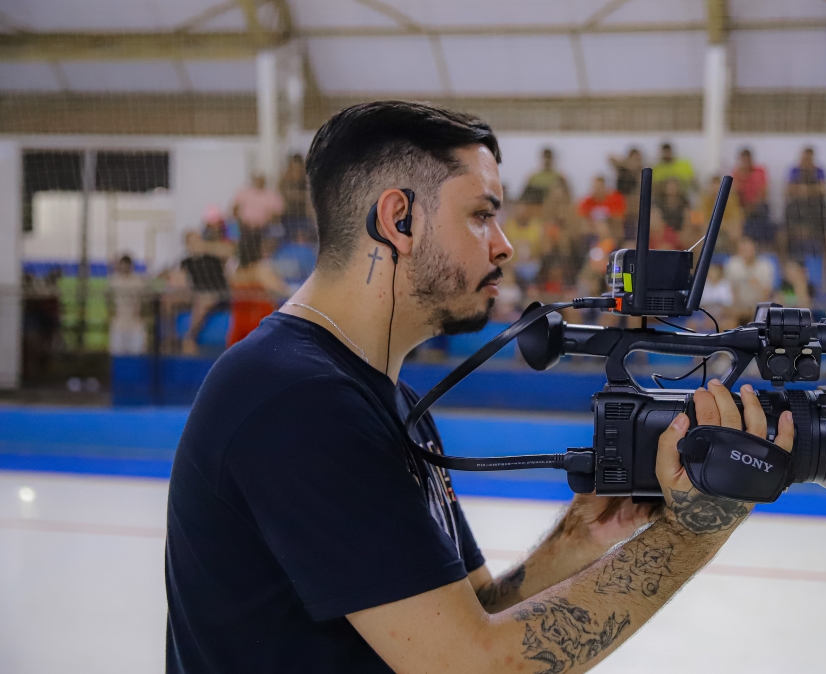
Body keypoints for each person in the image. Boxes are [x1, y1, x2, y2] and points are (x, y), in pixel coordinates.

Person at [165, 100, 793, 673]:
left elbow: (476, 610)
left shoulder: (384, 399)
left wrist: (577, 540)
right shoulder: (297, 402)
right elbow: (472, 666)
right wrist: (692, 533)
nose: (504, 245)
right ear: (398, 220)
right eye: (481, 216)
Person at [225, 227, 288, 347]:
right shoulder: (261, 270)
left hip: (239, 325)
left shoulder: (235, 272)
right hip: (260, 324)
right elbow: (281, 290)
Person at [179, 230, 231, 354]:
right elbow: (181, 281)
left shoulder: (212, 256)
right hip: (198, 293)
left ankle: (189, 338)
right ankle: (166, 340)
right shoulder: (186, 261)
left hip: (219, 293)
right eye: (193, 241)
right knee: (166, 301)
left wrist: (207, 247)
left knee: (204, 300)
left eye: (198, 239)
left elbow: (230, 251)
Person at [784, 146, 826, 259]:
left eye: (809, 159)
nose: (806, 161)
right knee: (781, 236)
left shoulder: (819, 171)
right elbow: (787, 190)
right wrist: (813, 190)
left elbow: (824, 190)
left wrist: (806, 190)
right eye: (804, 159)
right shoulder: (794, 171)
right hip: (796, 218)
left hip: (816, 219)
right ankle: (785, 267)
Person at [724, 238, 776, 322]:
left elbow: (766, 293)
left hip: (758, 305)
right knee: (729, 320)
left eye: (749, 250)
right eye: (743, 250)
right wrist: (740, 308)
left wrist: (754, 310)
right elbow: (733, 291)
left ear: (754, 249)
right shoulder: (732, 265)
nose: (746, 253)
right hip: (740, 306)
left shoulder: (765, 266)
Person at [107, 254, 146, 355]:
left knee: (136, 354)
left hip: (135, 323)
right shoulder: (114, 281)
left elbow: (145, 301)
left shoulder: (138, 282)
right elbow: (108, 299)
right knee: (118, 354)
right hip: (119, 323)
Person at [733, 148, 772, 247]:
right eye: (743, 160)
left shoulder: (760, 171)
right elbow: (734, 195)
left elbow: (763, 192)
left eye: (747, 159)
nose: (745, 162)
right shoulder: (736, 173)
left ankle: (760, 243)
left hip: (757, 206)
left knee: (762, 210)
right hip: (742, 207)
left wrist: (752, 205)